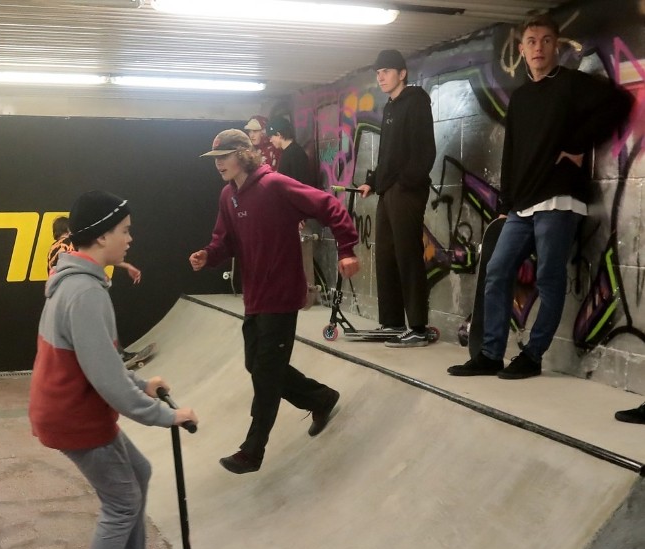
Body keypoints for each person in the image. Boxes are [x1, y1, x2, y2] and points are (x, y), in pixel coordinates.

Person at [29, 190, 198, 549]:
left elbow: (99, 361)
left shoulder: (80, 282)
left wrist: (143, 384)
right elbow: (106, 382)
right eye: (124, 231)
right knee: (122, 503)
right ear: (102, 235)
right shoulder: (84, 294)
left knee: (137, 472)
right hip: (73, 414)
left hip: (73, 406)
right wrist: (166, 416)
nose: (130, 238)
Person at [448, 12, 634, 379]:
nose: (538, 48)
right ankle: (490, 354)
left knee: (549, 279)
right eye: (531, 42)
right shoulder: (520, 98)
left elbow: (620, 103)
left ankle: (532, 355)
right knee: (498, 271)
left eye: (546, 41)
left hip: (560, 198)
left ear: (556, 47)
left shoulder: (571, 83)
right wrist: (504, 205)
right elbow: (512, 151)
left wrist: (579, 144)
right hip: (523, 203)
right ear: (522, 49)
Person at [189, 129, 359, 475]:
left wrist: (347, 249)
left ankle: (252, 451)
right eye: (215, 159)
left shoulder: (275, 186)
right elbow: (225, 240)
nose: (219, 164)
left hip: (281, 294)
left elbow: (329, 205)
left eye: (224, 157)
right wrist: (208, 255)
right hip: (255, 295)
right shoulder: (228, 196)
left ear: (243, 155)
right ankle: (319, 398)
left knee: (265, 374)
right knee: (257, 364)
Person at [356, 49, 436, 348]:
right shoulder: (390, 107)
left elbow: (425, 151)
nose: (381, 76)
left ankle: (417, 327)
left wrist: (405, 183)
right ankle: (391, 323)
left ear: (402, 73)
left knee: (407, 256)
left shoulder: (415, 102)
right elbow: (389, 155)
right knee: (386, 257)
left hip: (406, 191)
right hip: (388, 191)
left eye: (386, 71)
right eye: (378, 72)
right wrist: (372, 181)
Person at [48, 216, 142, 283]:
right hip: (76, 288)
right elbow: (93, 257)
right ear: (69, 229)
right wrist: (127, 266)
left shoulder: (51, 249)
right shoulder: (71, 242)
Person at [268, 117, 316, 186]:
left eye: (271, 137)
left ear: (279, 135)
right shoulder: (290, 151)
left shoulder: (294, 153)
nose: (270, 140)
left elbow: (299, 184)